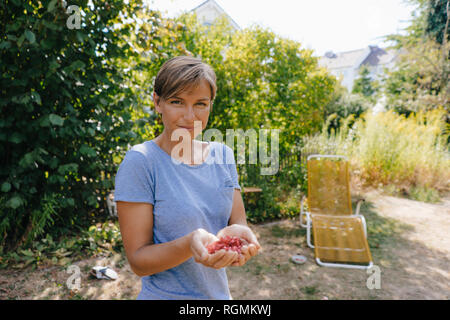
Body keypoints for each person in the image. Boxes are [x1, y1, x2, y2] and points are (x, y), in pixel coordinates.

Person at [114, 56, 261, 300]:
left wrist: (241, 238)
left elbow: (238, 222)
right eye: (177, 102)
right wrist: (189, 243)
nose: (190, 115)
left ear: (210, 105)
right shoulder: (141, 162)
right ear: (157, 102)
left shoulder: (223, 155)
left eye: (201, 104)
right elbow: (138, 261)